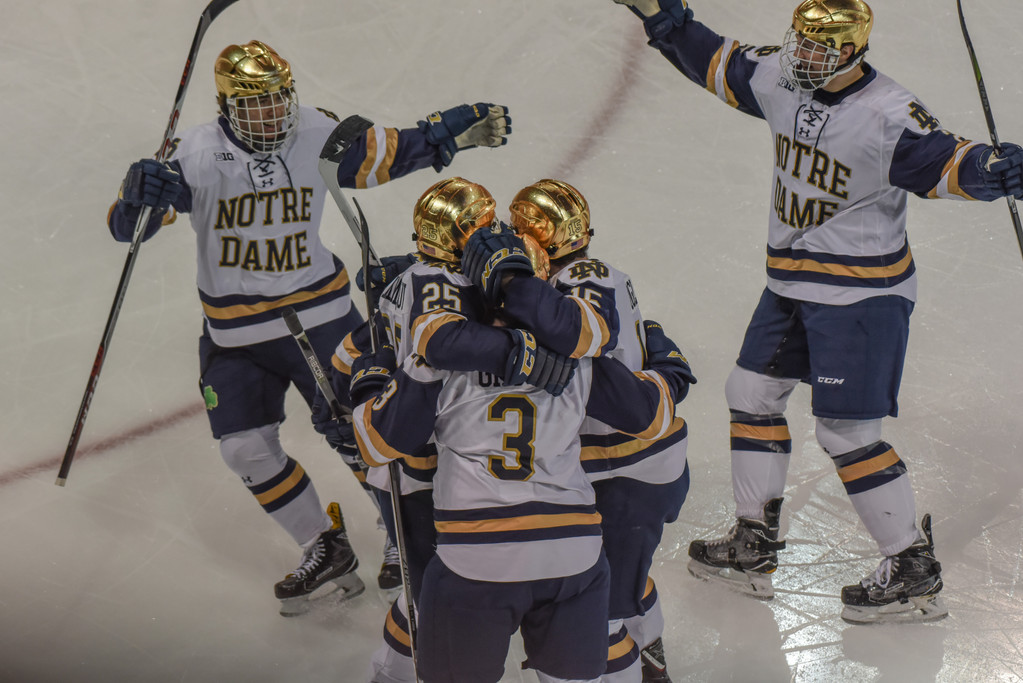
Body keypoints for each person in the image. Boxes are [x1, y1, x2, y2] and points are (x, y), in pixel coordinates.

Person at [611, 0, 1023, 623]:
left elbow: (945, 160)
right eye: (798, 42)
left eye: (817, 48)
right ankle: (754, 541)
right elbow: (719, 62)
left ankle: (911, 565)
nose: (800, 57)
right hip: (794, 281)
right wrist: (659, 13)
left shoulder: (887, 114)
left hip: (862, 296)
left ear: (854, 52)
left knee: (846, 432)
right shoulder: (785, 73)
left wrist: (992, 169)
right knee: (750, 390)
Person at [106, 39, 512, 615]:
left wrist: (447, 134)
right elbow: (133, 229)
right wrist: (134, 196)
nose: (273, 114)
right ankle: (324, 547)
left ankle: (403, 539)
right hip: (235, 336)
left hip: (320, 316)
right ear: (227, 108)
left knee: (363, 435)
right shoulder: (192, 152)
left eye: (279, 100)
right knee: (244, 449)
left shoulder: (315, 132)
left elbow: (382, 154)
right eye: (257, 105)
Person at [348, 306, 695, 683]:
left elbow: (375, 445)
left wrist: (372, 380)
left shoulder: (441, 360)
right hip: (573, 558)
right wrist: (669, 366)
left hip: (476, 559)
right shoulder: (575, 360)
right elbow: (652, 415)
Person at [314, 176, 572, 683]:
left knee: (428, 594)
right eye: (482, 225)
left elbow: (347, 357)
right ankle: (390, 674)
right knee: (431, 596)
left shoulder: (405, 281)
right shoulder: (457, 288)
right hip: (435, 470)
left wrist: (346, 406)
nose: (493, 233)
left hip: (398, 466)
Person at [493, 180, 694, 682]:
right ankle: (652, 666)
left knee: (597, 614)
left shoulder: (579, 283)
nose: (516, 241)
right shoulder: (595, 273)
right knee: (628, 584)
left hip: (623, 472)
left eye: (522, 232)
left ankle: (640, 669)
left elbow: (575, 345)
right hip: (639, 467)